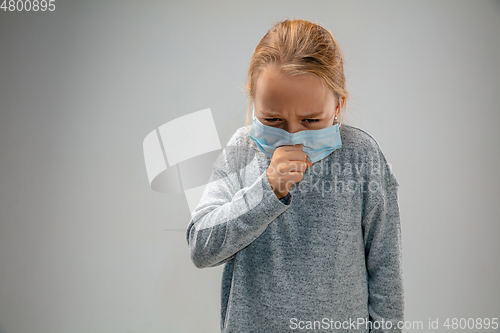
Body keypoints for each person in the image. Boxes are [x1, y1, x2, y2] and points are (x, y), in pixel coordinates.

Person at [186, 18, 404, 333]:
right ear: (254, 103)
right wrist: (267, 191)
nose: (292, 136)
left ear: (338, 106)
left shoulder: (362, 156)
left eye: (311, 120)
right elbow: (201, 247)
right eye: (273, 119)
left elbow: (385, 270)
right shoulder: (242, 151)